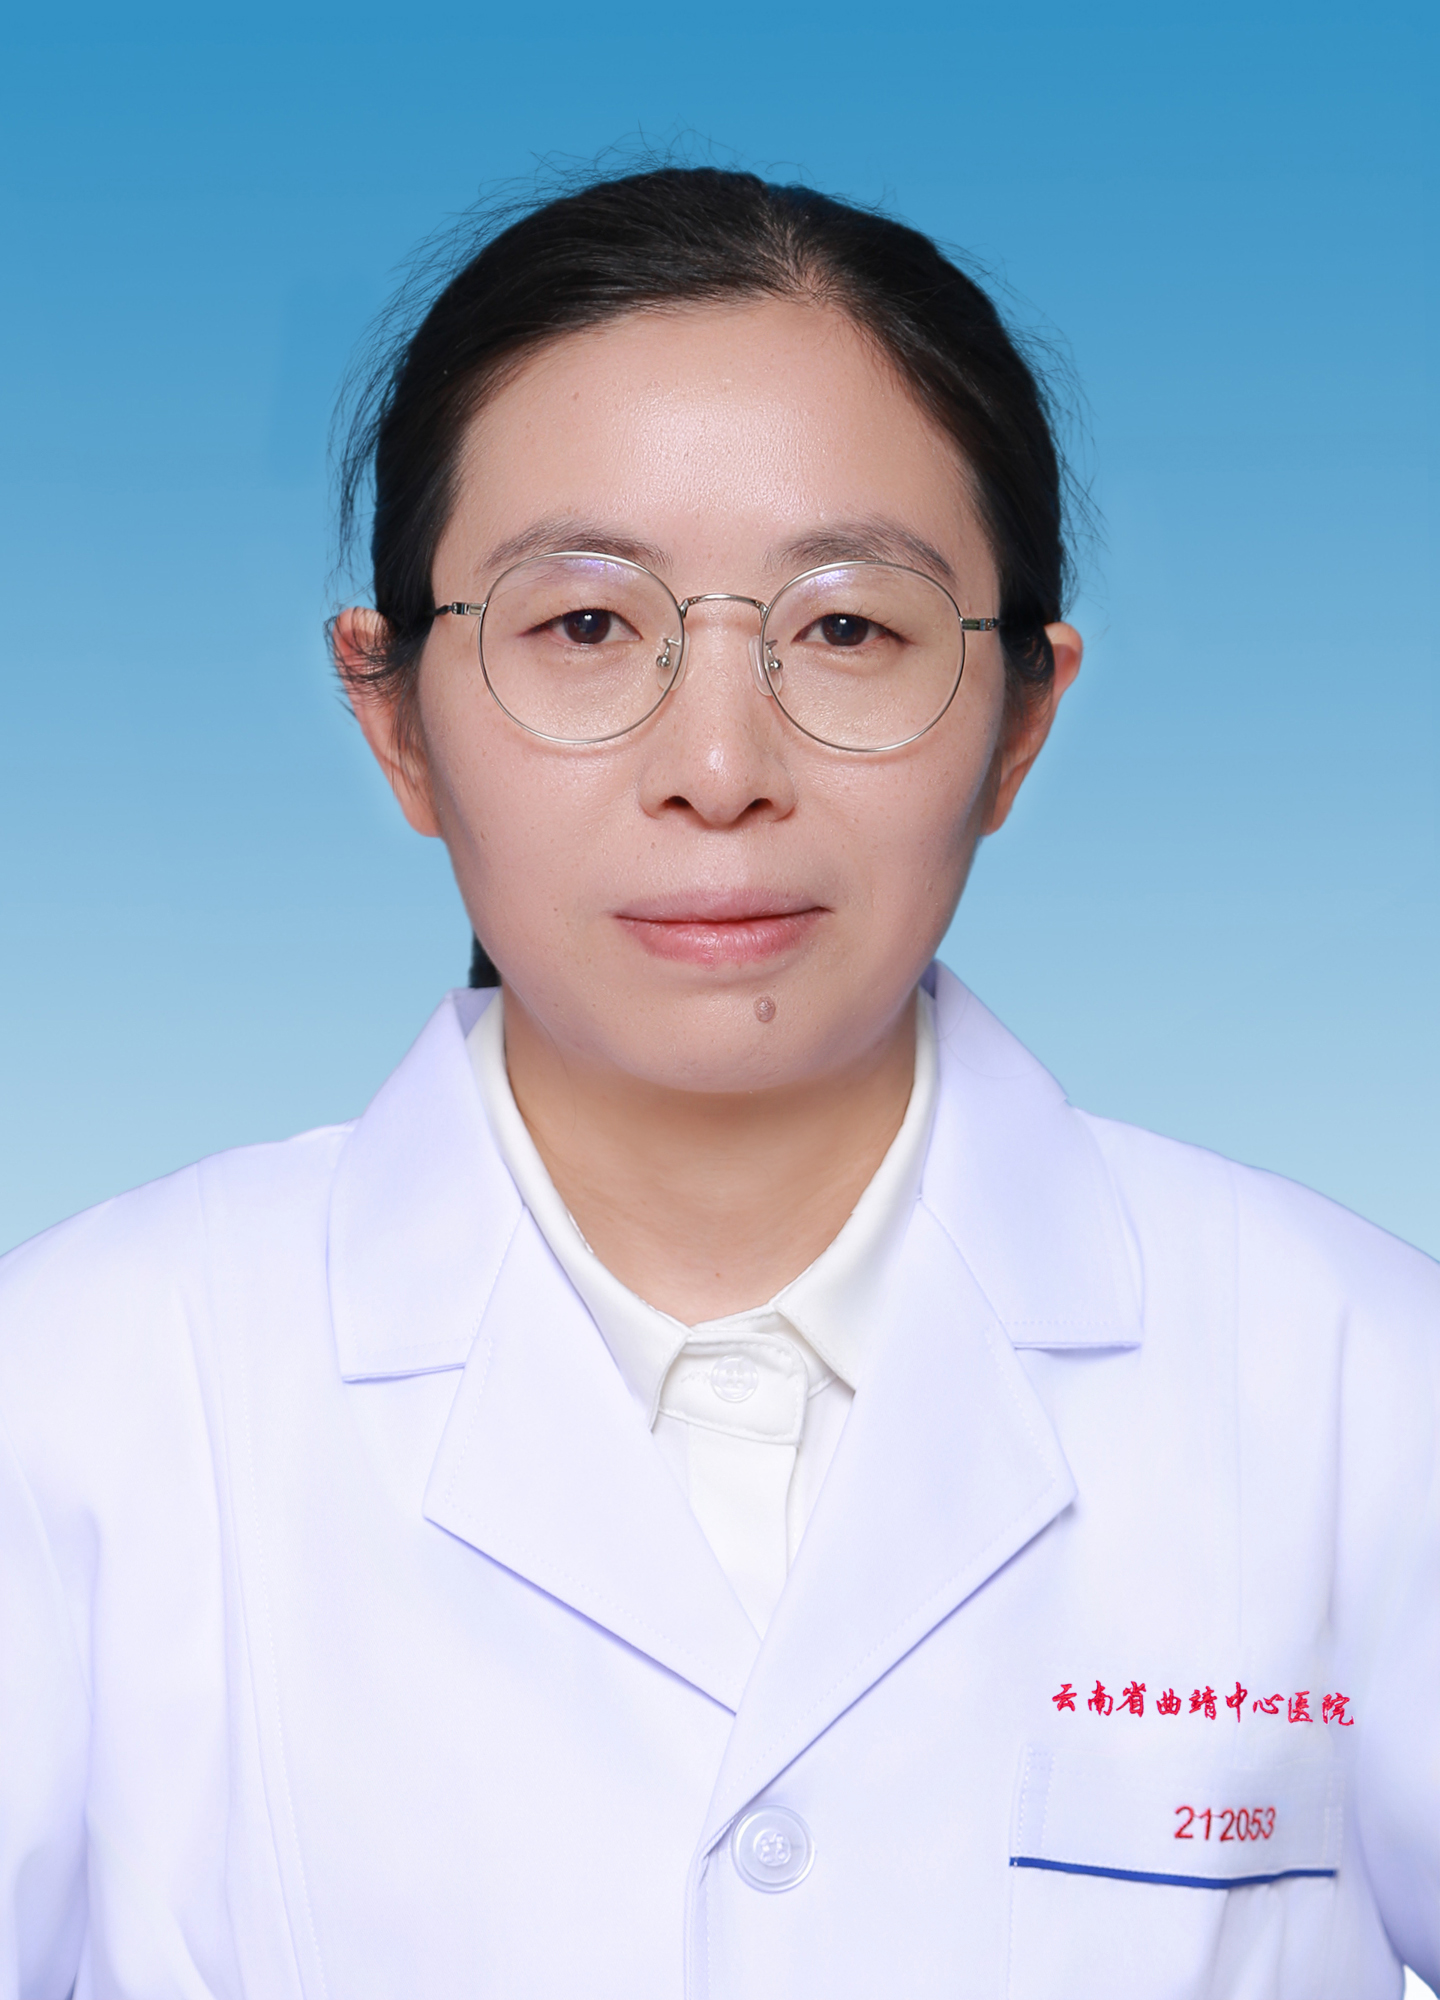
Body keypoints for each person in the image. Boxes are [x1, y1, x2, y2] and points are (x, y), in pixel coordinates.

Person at [0, 165, 1435, 2000]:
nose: (720, 766)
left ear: (1022, 719)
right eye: (587, 626)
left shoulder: (1365, 1388)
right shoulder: (76, 1399)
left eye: (847, 628)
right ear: (394, 716)